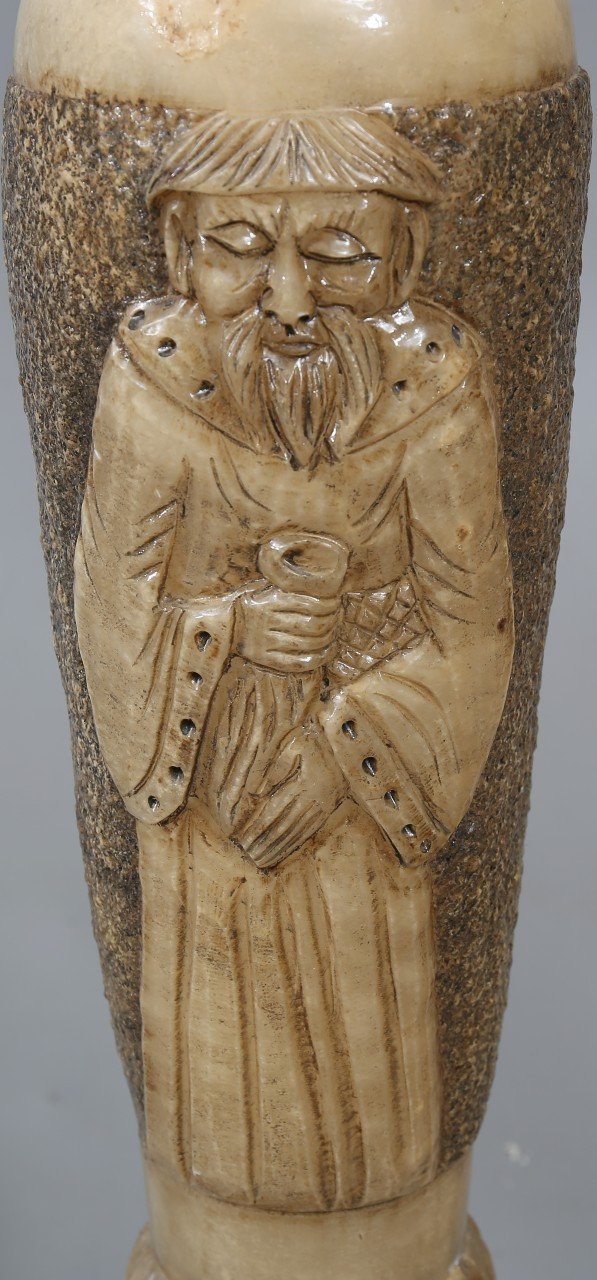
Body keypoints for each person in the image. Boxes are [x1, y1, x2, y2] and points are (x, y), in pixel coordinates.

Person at [74, 108, 514, 1214]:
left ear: (402, 259)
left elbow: (475, 626)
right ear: (180, 253)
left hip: (361, 801)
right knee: (222, 1090)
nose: (287, 300)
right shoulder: (152, 382)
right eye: (237, 247)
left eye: (337, 253)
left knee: (372, 1089)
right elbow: (111, 603)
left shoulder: (433, 390)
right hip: (210, 794)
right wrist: (226, 632)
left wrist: (340, 751)